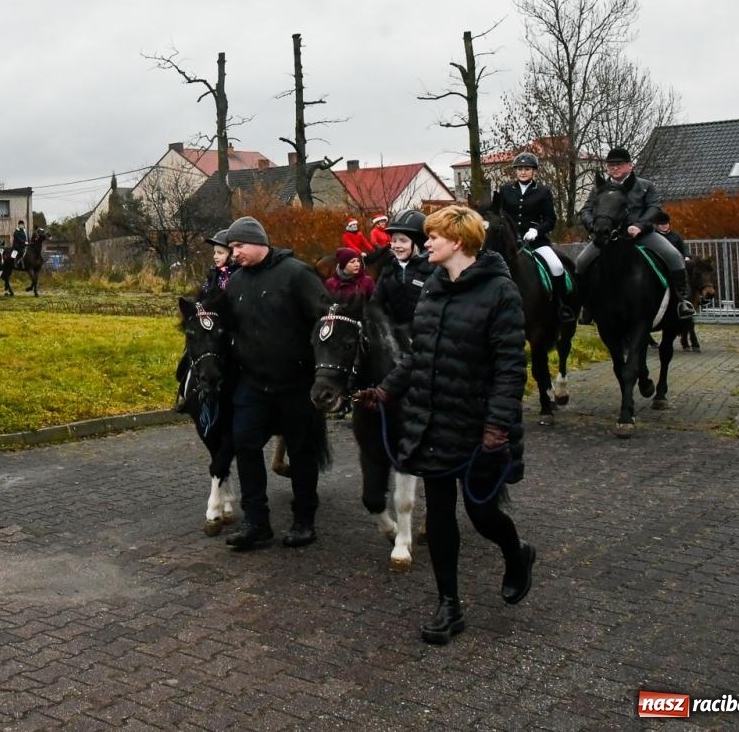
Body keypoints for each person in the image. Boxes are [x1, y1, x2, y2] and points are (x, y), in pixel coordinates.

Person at [355, 206, 534, 646]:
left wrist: (497, 426)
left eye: (434, 237)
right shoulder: (433, 289)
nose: (426, 242)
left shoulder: (500, 293)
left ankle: (516, 552)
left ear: (458, 241)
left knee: (482, 514)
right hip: (430, 420)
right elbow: (418, 356)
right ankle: (448, 604)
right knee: (438, 515)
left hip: (476, 425)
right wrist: (385, 391)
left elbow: (511, 367)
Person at [219, 216, 331, 551]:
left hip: (296, 383)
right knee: (245, 445)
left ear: (258, 242)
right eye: (231, 247)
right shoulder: (235, 283)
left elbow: (326, 322)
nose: (233, 252)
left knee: (301, 451)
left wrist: (322, 372)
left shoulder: (296, 274)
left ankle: (304, 520)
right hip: (253, 383)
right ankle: (257, 522)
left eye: (238, 246)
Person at [578, 147, 695, 319]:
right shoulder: (600, 188)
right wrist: (593, 226)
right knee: (581, 261)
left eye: (618, 164)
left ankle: (682, 301)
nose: (614, 168)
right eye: (610, 165)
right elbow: (586, 210)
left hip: (642, 235)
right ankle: (586, 304)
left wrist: (640, 225)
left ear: (630, 166)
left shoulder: (646, 186)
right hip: (608, 237)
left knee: (674, 255)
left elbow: (654, 208)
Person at [491, 152, 574, 321]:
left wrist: (537, 231)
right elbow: (499, 215)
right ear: (515, 171)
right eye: (520, 169)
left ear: (534, 171)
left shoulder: (543, 192)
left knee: (557, 267)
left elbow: (550, 220)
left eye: (527, 169)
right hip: (510, 242)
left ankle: (560, 305)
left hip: (537, 242)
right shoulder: (506, 190)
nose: (523, 172)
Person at [374, 209, 432, 332]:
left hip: (424, 334)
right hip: (396, 336)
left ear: (418, 243)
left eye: (403, 240)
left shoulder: (432, 270)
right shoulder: (388, 270)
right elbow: (375, 304)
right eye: (394, 240)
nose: (396, 245)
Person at [200, 228, 236, 295]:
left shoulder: (237, 275)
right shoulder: (213, 272)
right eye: (214, 252)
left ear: (232, 254)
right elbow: (204, 293)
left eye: (220, 253)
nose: (215, 256)